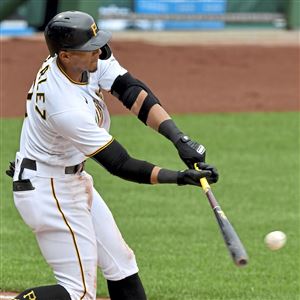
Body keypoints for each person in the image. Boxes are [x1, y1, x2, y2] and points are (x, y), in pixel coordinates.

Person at [7, 11, 218, 300]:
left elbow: (130, 90)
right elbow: (120, 164)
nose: (99, 51)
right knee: (77, 292)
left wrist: (178, 138)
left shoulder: (83, 63)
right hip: (49, 190)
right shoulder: (66, 106)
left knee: (122, 264)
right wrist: (180, 177)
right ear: (66, 55)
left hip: (66, 177)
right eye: (89, 48)